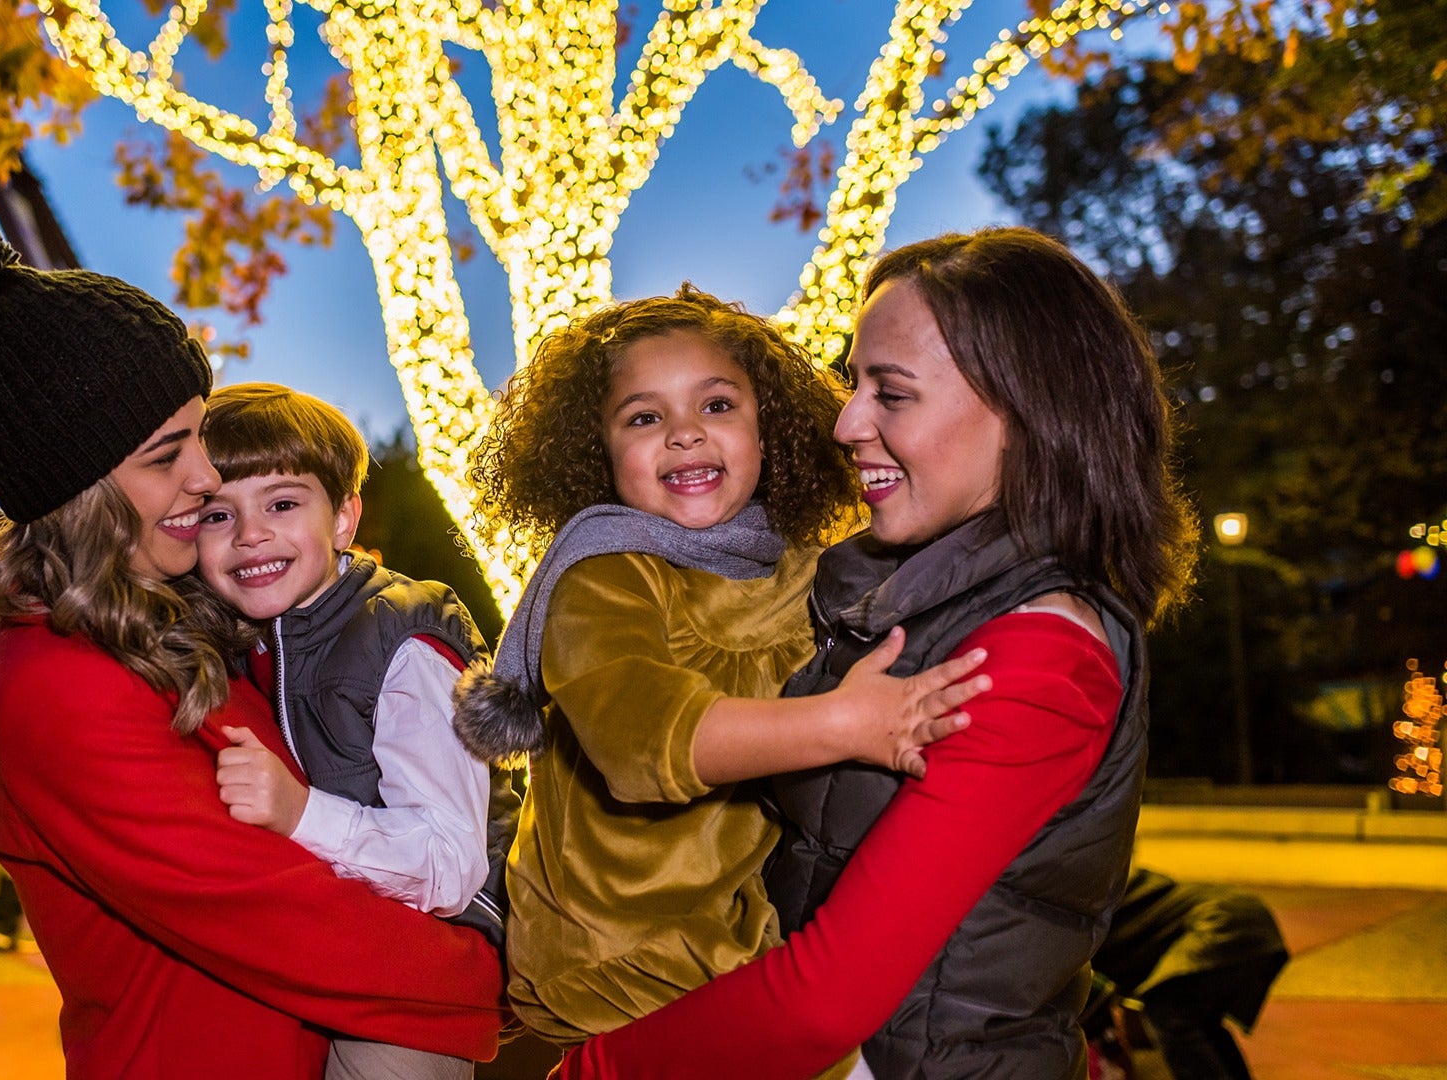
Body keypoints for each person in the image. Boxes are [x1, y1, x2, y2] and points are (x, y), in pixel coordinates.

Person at [554, 227, 1200, 1079]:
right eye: (852, 383)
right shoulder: (907, 593)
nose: (845, 420)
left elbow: (826, 1001)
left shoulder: (1041, 653)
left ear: (1025, 412)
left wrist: (594, 1072)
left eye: (890, 394)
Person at [0, 218, 506, 1078]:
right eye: (167, 455)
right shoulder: (58, 684)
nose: (208, 479)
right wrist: (494, 978)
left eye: (200, 439)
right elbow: (267, 910)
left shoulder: (175, 619)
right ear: (79, 490)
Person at [453, 284, 988, 1049]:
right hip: (609, 967)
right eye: (644, 417)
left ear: (768, 429)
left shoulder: (802, 572)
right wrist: (844, 722)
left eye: (716, 406)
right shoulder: (604, 576)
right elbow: (643, 745)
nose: (683, 435)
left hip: (741, 949)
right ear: (596, 453)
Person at [192, 382, 517, 1080]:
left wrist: (299, 812)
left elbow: (451, 864)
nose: (251, 534)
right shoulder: (258, 640)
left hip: (431, 967)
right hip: (337, 940)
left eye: (281, 504)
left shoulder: (399, 643)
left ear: (343, 518)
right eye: (219, 513)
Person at [1089, 868, 1289, 1080]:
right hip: (1242, 916)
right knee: (1200, 1025)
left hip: (1218, 923)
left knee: (1170, 1015)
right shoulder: (1103, 875)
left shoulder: (1074, 900)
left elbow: (1090, 1002)